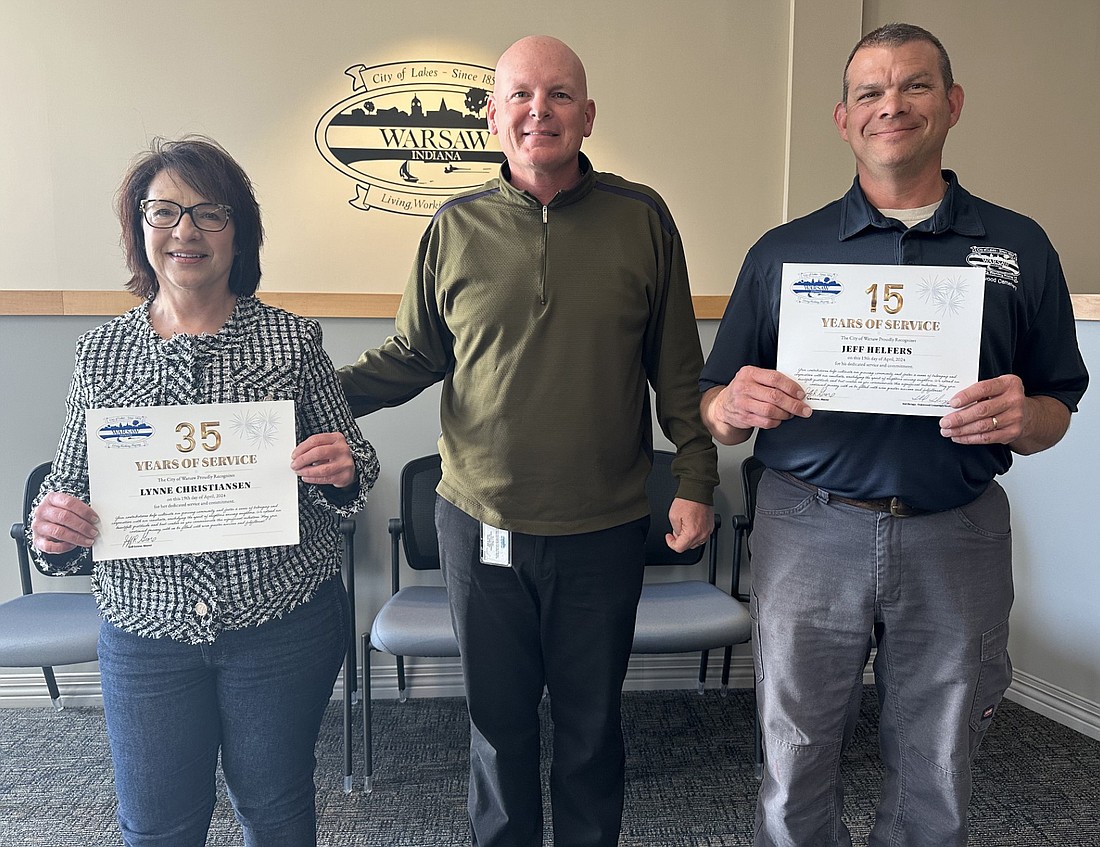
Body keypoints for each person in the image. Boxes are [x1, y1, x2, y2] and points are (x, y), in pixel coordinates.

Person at [700, 22, 1088, 847]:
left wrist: (1029, 419)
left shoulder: (1017, 247)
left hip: (957, 528)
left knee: (942, 755)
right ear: (843, 118)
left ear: (951, 105)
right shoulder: (783, 252)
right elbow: (714, 402)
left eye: (914, 86)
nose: (892, 105)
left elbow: (1059, 402)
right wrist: (731, 406)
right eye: (870, 91)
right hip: (808, 527)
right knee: (795, 746)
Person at [339, 35, 718, 847]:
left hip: (604, 528)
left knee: (589, 732)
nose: (537, 111)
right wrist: (305, 396)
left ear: (587, 114)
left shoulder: (642, 218)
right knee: (498, 731)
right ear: (492, 115)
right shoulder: (454, 225)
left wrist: (695, 477)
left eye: (556, 95)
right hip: (480, 527)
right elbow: (413, 355)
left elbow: (677, 368)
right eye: (518, 95)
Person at [28, 136, 379, 846]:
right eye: (165, 211)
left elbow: (358, 470)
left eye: (209, 213)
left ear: (238, 232)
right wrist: (53, 533)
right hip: (146, 633)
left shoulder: (292, 341)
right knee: (158, 825)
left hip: (281, 626)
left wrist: (342, 469)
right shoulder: (101, 353)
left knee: (276, 812)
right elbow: (67, 500)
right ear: (140, 227)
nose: (185, 231)